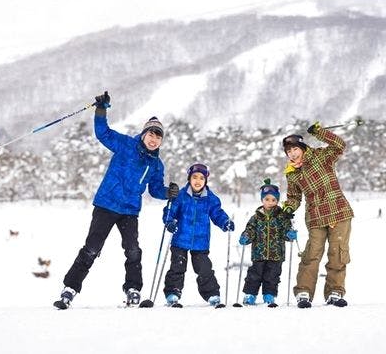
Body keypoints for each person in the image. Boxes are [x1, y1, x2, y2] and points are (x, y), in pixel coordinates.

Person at [54, 91, 179, 309]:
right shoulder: (126, 145)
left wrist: (168, 192)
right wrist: (101, 110)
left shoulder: (156, 165)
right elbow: (103, 133)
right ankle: (70, 288)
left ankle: (133, 289)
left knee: (133, 250)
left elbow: (155, 189)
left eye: (158, 136)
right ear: (143, 134)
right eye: (151, 134)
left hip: (130, 210)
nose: (154, 139)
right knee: (92, 248)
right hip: (106, 204)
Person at [282, 122, 354, 308]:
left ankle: (335, 292)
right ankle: (303, 291)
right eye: (288, 151)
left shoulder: (322, 156)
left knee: (337, 253)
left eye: (295, 149)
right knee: (311, 254)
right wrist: (289, 207)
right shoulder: (292, 174)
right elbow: (294, 197)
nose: (292, 153)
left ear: (303, 148)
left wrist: (319, 132)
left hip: (338, 212)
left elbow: (339, 145)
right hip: (315, 217)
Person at [162, 163, 235, 307]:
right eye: (194, 177)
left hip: (200, 242)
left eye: (202, 178)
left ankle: (212, 294)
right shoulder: (181, 196)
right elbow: (169, 211)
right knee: (177, 267)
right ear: (189, 178)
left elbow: (217, 213)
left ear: (206, 180)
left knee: (204, 268)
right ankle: (172, 293)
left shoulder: (210, 198)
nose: (198, 181)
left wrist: (224, 222)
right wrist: (169, 222)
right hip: (180, 239)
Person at [238, 179, 294, 306]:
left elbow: (286, 231)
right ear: (262, 200)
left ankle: (269, 295)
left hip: (276, 254)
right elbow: (250, 230)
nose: (270, 202)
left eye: (273, 200)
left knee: (272, 276)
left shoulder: (281, 217)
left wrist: (289, 234)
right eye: (267, 199)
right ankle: (250, 294)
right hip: (259, 253)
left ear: (277, 201)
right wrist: (246, 236)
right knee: (254, 275)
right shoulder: (256, 217)